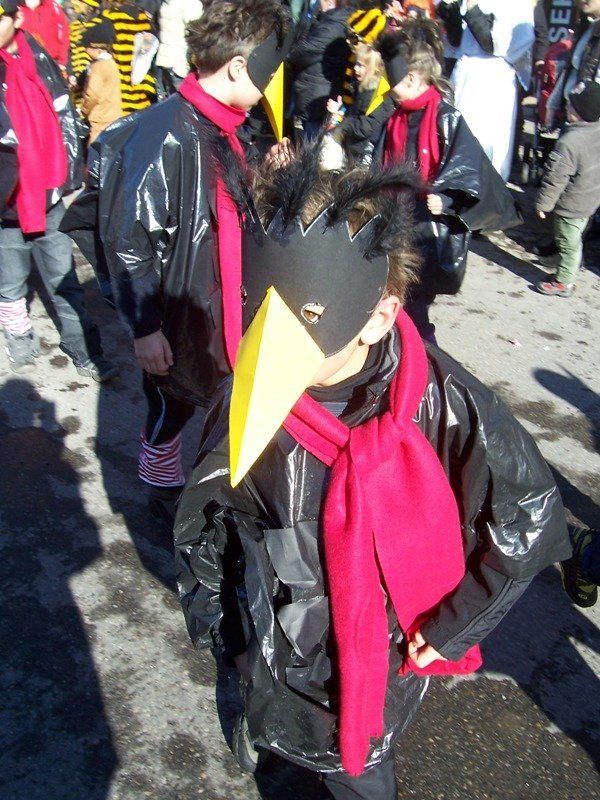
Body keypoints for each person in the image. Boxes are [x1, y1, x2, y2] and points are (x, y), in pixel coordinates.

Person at [173, 149, 570, 799]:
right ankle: (267, 728)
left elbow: (526, 511)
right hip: (274, 633)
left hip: (379, 652)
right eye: (253, 306)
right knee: (280, 736)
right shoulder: (245, 396)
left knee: (358, 776)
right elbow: (206, 526)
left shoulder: (443, 400)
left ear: (378, 316)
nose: (266, 346)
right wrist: (230, 641)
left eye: (306, 318)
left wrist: (453, 626)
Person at [61, 0, 293, 521]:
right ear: (238, 66)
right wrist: (144, 328)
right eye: (265, 77)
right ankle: (160, 482)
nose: (267, 90)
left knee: (203, 393)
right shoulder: (165, 133)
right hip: (175, 312)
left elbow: (222, 207)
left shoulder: (222, 127)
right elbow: (127, 240)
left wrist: (265, 175)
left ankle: (200, 477)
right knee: (171, 402)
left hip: (211, 298)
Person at [371, 31, 519, 341]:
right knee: (395, 299)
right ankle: (408, 349)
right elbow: (379, 165)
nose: (388, 89)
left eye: (392, 82)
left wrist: (447, 200)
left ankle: (425, 354)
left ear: (413, 78)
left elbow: (470, 172)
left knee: (414, 307)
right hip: (396, 222)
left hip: (427, 229)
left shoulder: (446, 118)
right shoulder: (396, 117)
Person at [0, 0, 117, 379]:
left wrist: (70, 175)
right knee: (10, 284)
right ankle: (19, 337)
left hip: (47, 196)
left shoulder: (38, 57)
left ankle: (85, 350)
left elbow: (64, 115)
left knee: (65, 282)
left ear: (17, 17)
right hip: (5, 205)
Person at [447, 0, 535, 180]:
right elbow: (455, 40)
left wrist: (472, 8)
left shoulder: (517, 5)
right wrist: (450, 10)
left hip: (491, 82)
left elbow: (493, 44)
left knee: (486, 146)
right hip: (463, 75)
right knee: (455, 140)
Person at [535, 80, 600, 296]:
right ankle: (564, 263)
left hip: (571, 205)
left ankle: (564, 281)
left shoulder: (570, 142)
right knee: (575, 235)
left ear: (579, 113)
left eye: (571, 105)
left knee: (569, 241)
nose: (567, 106)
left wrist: (543, 204)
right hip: (591, 200)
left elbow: (555, 178)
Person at [288, 0, 351, 139]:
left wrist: (308, 23)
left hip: (316, 97)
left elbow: (298, 54)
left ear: (331, 2)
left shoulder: (331, 27)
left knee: (311, 142)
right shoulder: (332, 21)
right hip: (316, 92)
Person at [546, 0, 600, 128]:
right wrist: (552, 105)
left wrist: (583, 111)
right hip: (574, 116)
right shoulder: (587, 26)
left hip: (589, 122)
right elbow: (570, 69)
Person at [326, 41, 384, 163]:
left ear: (373, 68)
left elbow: (364, 127)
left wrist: (340, 120)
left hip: (362, 153)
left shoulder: (373, 94)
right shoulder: (361, 88)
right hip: (352, 149)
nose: (355, 69)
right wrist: (339, 110)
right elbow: (353, 115)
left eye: (361, 66)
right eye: (356, 64)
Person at [80, 19, 123, 143]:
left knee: (95, 150)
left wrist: (84, 110)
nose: (85, 50)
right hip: (114, 116)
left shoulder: (98, 67)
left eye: (87, 47)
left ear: (96, 48)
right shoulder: (111, 64)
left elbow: (92, 94)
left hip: (100, 119)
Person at [155, 0, 203, 98]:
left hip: (163, 59)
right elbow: (198, 31)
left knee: (166, 101)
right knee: (184, 101)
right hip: (180, 62)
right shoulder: (190, 3)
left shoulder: (166, 3)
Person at [20, 0, 69, 71]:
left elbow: (64, 31)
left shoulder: (51, 5)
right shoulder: (18, 11)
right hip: (34, 65)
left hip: (56, 60)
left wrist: (62, 60)